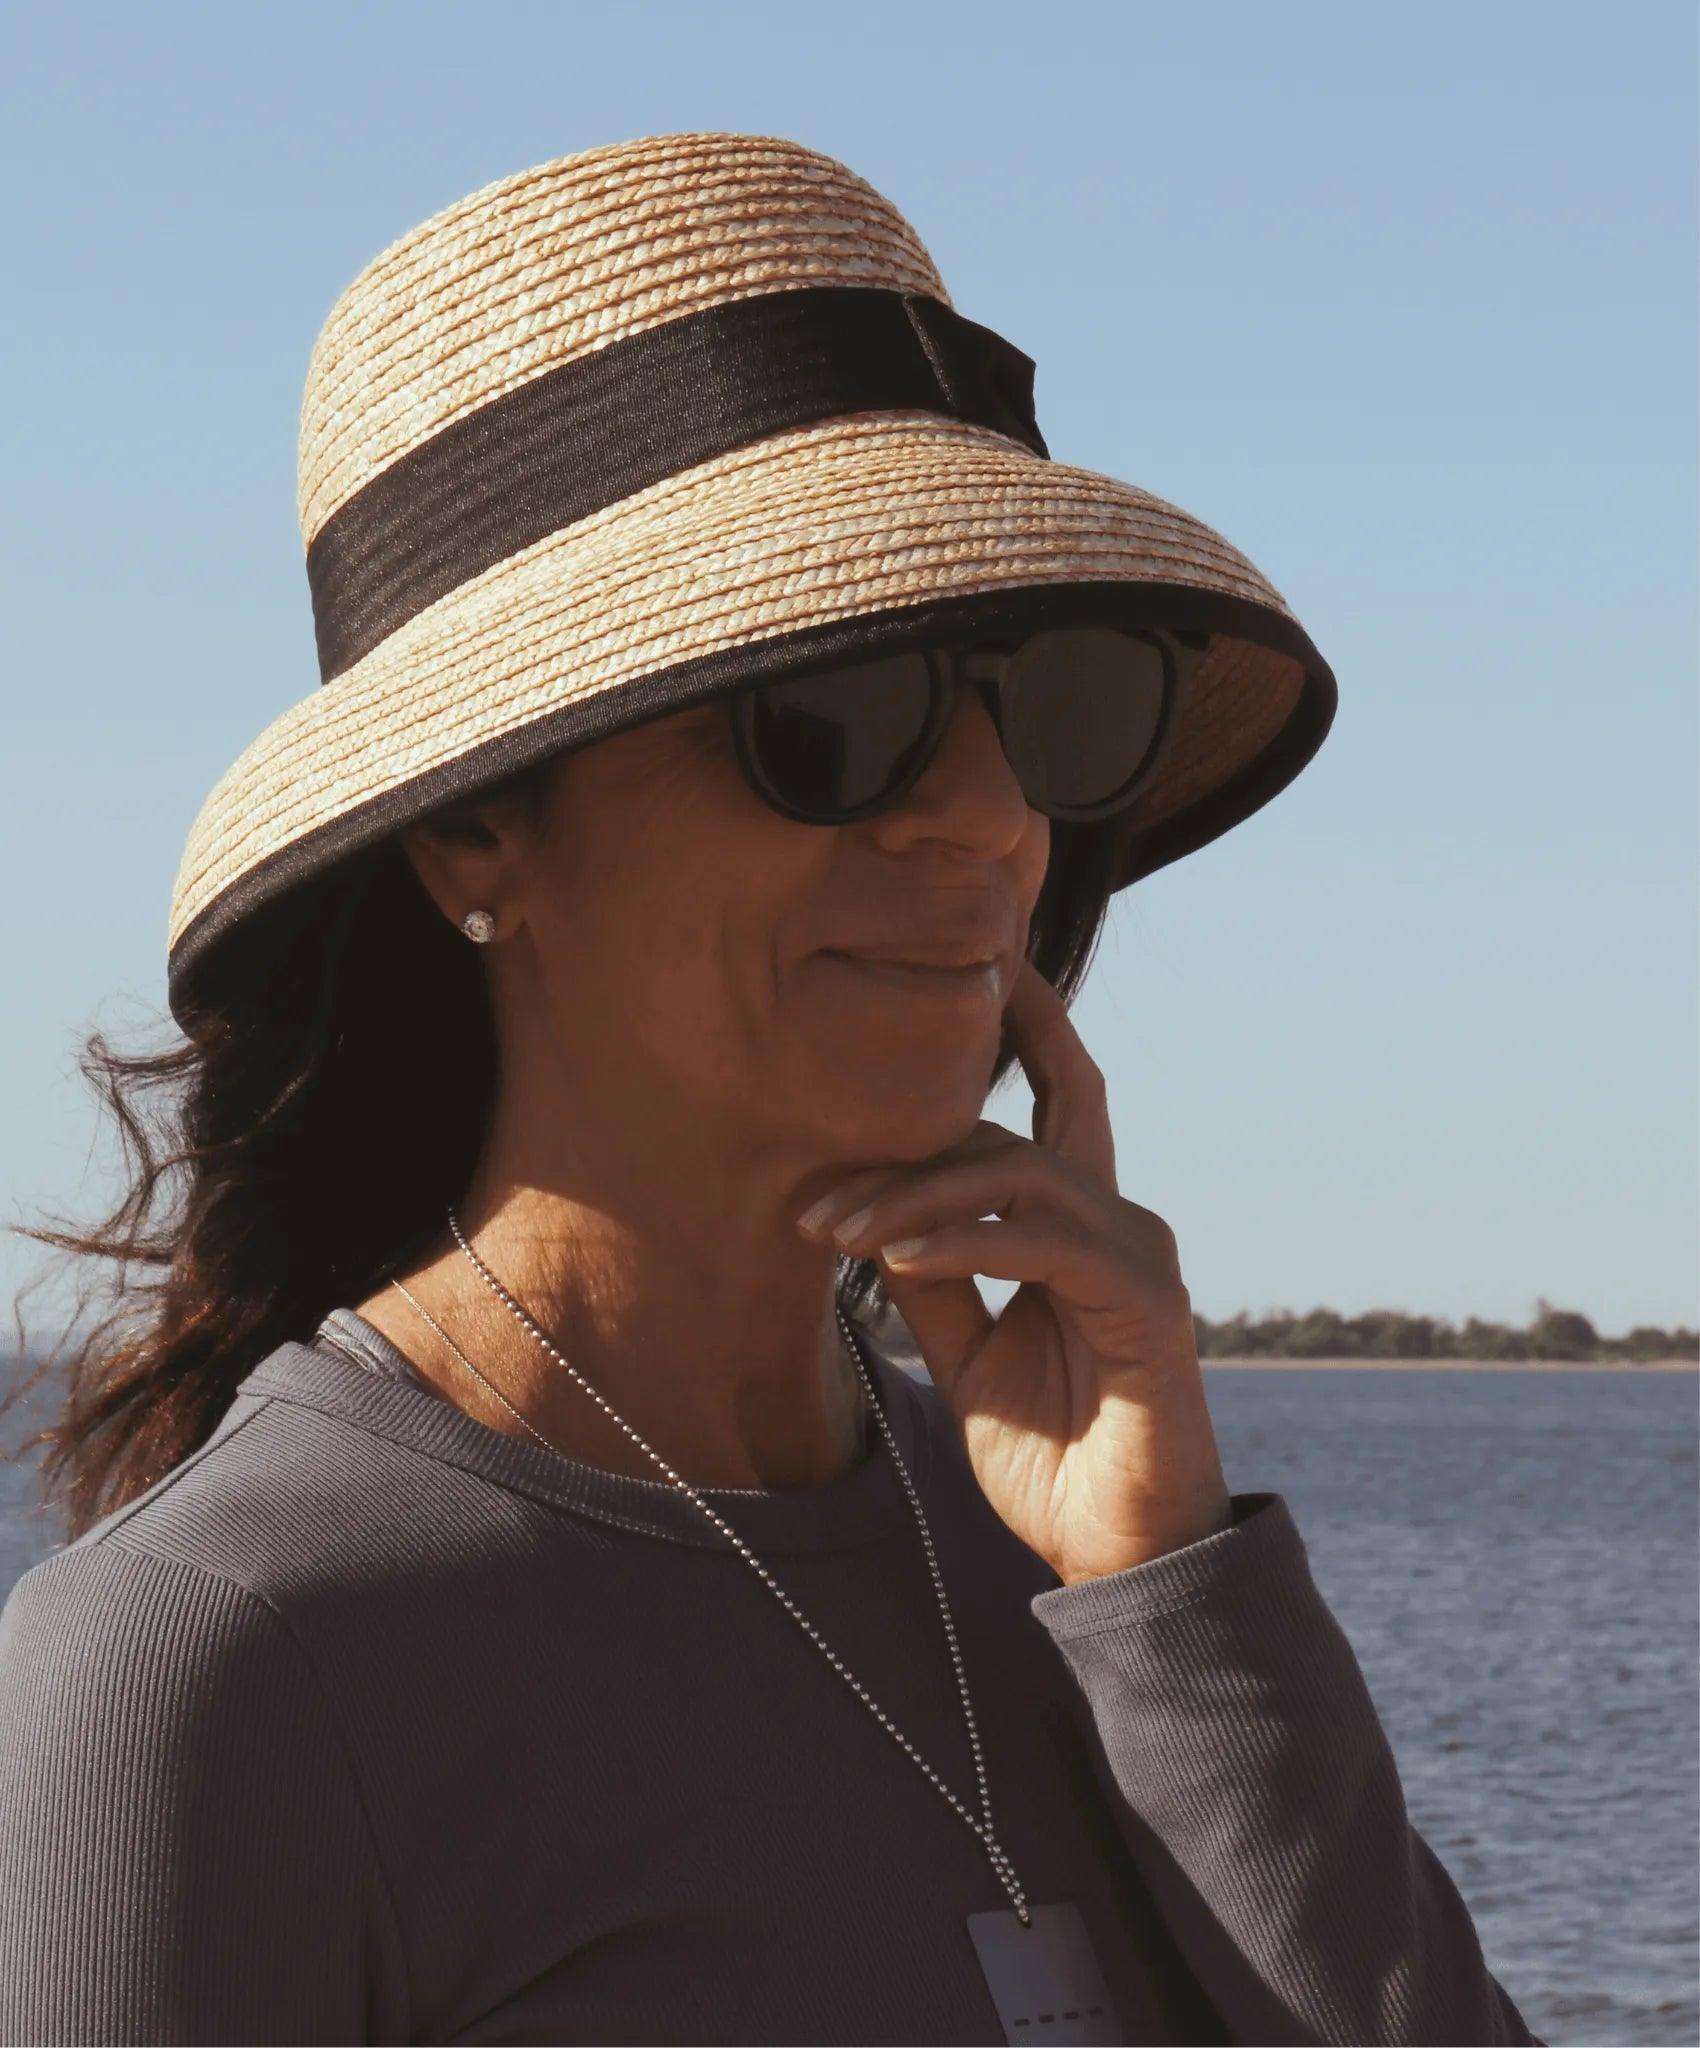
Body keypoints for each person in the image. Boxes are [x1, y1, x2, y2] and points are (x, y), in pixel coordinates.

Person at [0, 131, 1541, 2045]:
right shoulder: (215, 1668)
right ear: (475, 835)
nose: (990, 818)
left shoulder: (1086, 1564)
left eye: (1047, 700)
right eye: (831, 712)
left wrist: (1170, 1586)